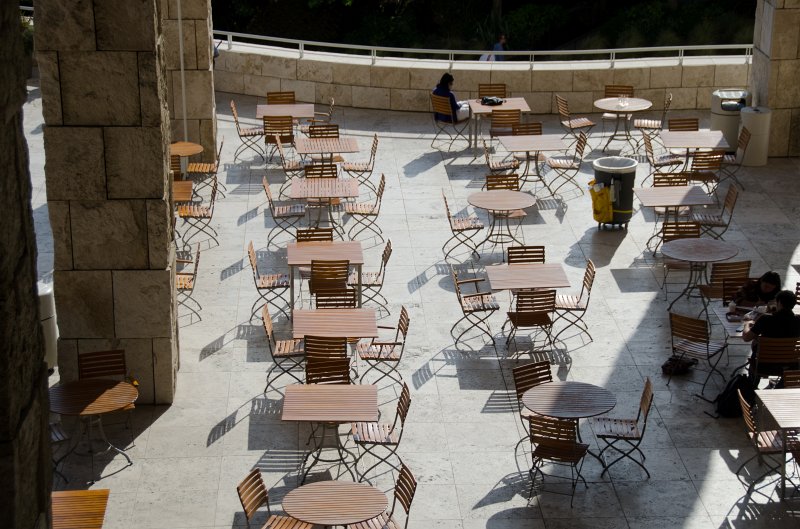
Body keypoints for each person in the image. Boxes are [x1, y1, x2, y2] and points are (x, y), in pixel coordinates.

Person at [742, 289, 800, 382]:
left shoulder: (765, 319)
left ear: (779, 302)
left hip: (764, 365)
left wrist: (746, 325)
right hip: (789, 365)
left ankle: (752, 383)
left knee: (756, 342)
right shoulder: (798, 321)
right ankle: (782, 385)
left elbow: (746, 338)